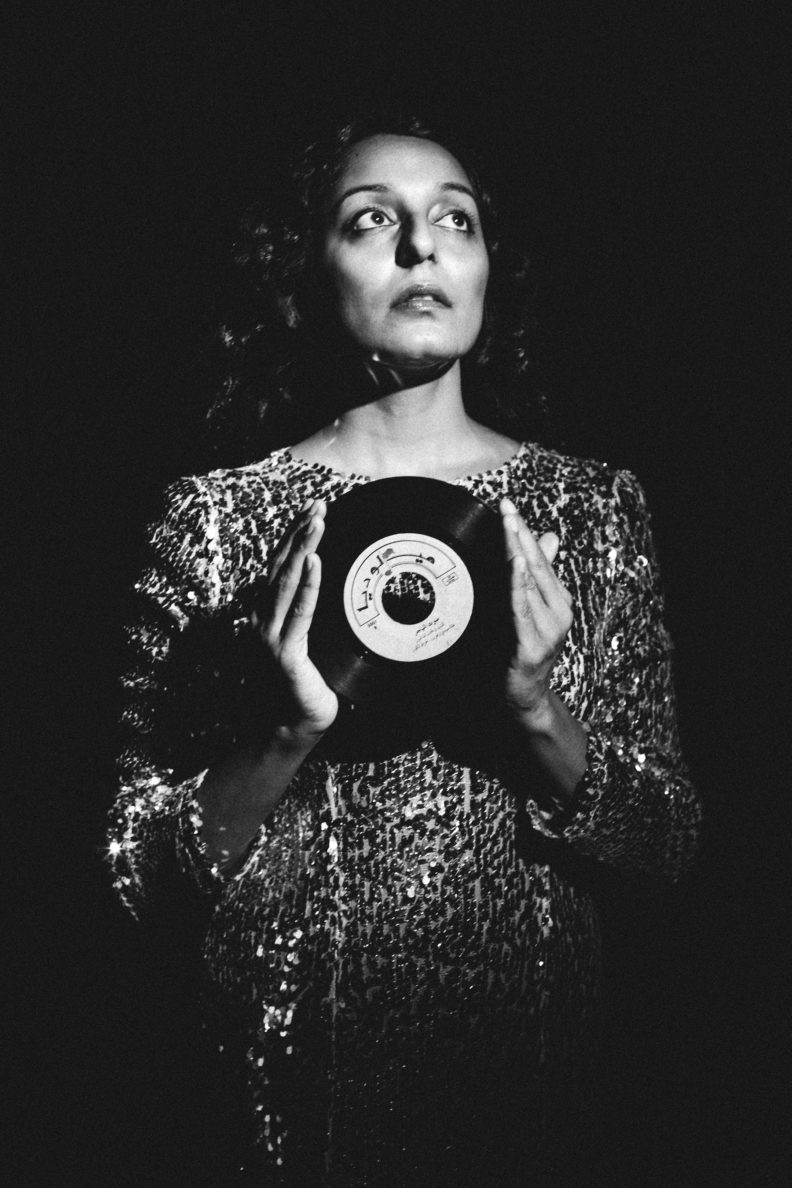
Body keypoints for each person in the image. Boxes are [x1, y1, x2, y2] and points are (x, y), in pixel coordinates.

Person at [108, 110, 702, 1185]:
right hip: (282, 1107)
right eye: (372, 219)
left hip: (526, 1097)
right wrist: (282, 732)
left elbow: (666, 847)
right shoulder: (209, 521)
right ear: (300, 278)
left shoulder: (594, 508)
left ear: (485, 270)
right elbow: (132, 878)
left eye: (456, 222)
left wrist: (537, 715)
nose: (422, 248)